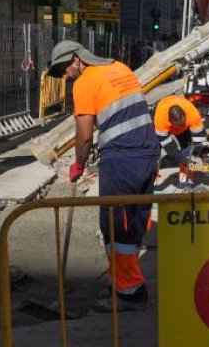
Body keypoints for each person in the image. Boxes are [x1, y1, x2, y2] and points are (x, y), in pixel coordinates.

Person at [48, 40, 158, 312]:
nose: (65, 76)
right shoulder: (120, 68)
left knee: (114, 226)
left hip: (122, 158)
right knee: (132, 221)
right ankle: (124, 281)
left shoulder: (85, 83)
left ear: (76, 59)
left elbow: (84, 135)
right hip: (148, 154)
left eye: (64, 69)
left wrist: (78, 165)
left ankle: (129, 293)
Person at [153, 94, 209, 166]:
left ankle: (184, 160)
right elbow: (168, 145)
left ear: (185, 115)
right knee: (154, 145)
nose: (179, 127)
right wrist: (182, 159)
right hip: (162, 107)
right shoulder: (160, 120)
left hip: (180, 108)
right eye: (177, 125)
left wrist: (204, 154)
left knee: (186, 147)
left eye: (182, 124)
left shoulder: (192, 114)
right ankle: (156, 165)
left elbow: (200, 137)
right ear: (169, 121)